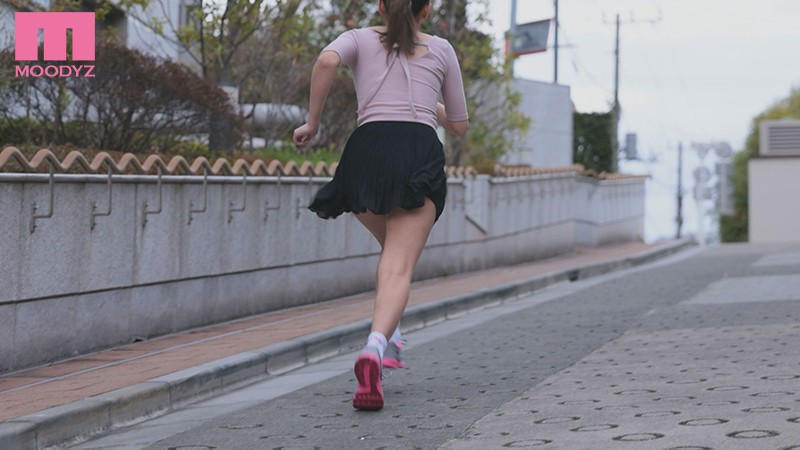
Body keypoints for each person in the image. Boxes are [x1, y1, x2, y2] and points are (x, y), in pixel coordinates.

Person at [293, 0, 469, 411]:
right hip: (416, 151)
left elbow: (326, 60)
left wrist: (312, 122)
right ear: (427, 9)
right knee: (398, 266)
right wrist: (429, 104)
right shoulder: (441, 49)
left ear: (380, 5)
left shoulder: (357, 38)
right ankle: (375, 347)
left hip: (366, 152)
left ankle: (391, 337)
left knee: (392, 255)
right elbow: (459, 126)